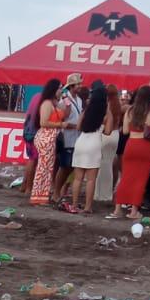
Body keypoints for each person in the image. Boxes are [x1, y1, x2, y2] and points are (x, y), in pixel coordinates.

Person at [113, 85, 150, 216]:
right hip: (146, 146)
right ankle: (134, 211)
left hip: (131, 144)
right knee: (140, 179)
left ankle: (117, 209)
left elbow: (124, 131)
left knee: (126, 177)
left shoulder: (130, 110)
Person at [65, 81, 108, 213]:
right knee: (90, 180)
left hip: (81, 141)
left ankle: (74, 204)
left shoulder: (86, 110)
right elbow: (108, 131)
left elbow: (78, 127)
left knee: (78, 178)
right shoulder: (105, 112)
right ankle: (88, 207)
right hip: (94, 143)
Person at [28, 78, 66, 206]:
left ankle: (42, 195)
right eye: (60, 88)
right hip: (46, 137)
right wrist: (60, 124)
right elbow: (43, 122)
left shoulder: (53, 103)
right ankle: (38, 196)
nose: (61, 90)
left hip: (50, 138)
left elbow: (65, 110)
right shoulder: (46, 104)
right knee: (43, 168)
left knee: (47, 168)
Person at [51, 74, 83, 205]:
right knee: (64, 166)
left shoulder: (79, 100)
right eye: (78, 85)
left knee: (70, 167)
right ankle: (56, 192)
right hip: (67, 136)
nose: (80, 86)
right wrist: (75, 125)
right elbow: (61, 119)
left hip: (76, 137)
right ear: (71, 86)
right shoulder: (64, 101)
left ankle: (60, 191)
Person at [94, 83, 125, 204]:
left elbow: (104, 122)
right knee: (109, 165)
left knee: (101, 165)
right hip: (115, 135)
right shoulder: (119, 106)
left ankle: (99, 193)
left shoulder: (106, 106)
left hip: (106, 135)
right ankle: (107, 193)